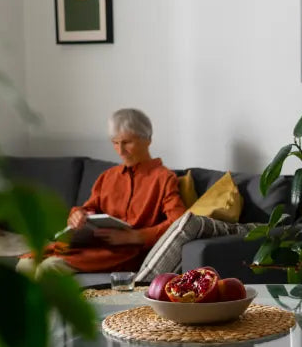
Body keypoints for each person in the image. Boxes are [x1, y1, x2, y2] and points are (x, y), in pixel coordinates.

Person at [18, 108, 186, 275]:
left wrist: (136, 236)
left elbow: (179, 222)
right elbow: (90, 208)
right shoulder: (108, 177)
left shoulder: (164, 178)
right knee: (25, 264)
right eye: (115, 142)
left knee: (49, 268)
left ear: (147, 140)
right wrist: (78, 215)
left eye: (127, 142)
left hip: (122, 254)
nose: (120, 151)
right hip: (89, 246)